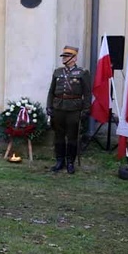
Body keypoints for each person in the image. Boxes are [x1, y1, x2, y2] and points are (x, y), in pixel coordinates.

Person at [46, 45, 91, 174]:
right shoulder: (57, 72)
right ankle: (59, 161)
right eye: (63, 56)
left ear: (74, 58)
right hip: (58, 107)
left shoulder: (82, 73)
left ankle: (70, 162)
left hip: (74, 109)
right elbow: (51, 91)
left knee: (72, 136)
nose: (64, 58)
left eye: (66, 56)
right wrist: (49, 106)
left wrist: (86, 109)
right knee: (58, 136)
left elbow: (87, 93)